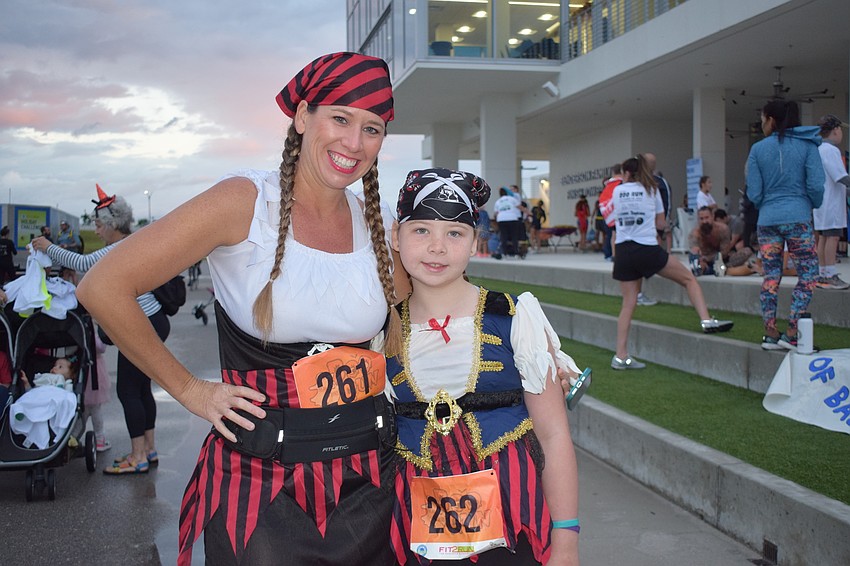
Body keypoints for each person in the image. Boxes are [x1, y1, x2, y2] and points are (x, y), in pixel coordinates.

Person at [74, 52, 406, 565]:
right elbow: (103, 285)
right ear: (301, 117)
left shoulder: (378, 220)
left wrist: (523, 346)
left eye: (373, 129)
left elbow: (422, 316)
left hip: (367, 484)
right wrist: (188, 389)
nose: (354, 144)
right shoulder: (245, 202)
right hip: (261, 490)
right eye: (340, 119)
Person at [387, 168, 581, 565]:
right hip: (411, 527)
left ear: (476, 242)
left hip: (513, 519)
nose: (437, 247)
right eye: (421, 230)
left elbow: (554, 434)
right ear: (396, 236)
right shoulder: (379, 330)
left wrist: (566, 540)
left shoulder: (515, 316)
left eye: (454, 233)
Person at [30, 186, 170, 474]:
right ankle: (148, 449)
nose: (95, 229)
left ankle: (138, 457)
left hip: (139, 324)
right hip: (153, 320)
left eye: (97, 224)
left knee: (128, 390)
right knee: (142, 388)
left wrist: (48, 247)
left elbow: (81, 263)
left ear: (110, 224)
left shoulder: (117, 248)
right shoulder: (134, 242)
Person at [610, 155, 733, 370]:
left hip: (623, 249)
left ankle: (620, 356)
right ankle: (706, 319)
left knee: (628, 304)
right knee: (688, 279)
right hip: (646, 248)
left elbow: (614, 217)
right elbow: (660, 222)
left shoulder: (617, 191)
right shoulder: (652, 190)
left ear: (627, 173)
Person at [746, 100, 824, 350]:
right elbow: (815, 185)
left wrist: (767, 204)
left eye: (762, 119)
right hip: (799, 217)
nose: (761, 124)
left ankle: (770, 332)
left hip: (768, 220)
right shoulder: (808, 146)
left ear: (770, 119)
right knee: (808, 274)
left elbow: (754, 193)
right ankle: (792, 329)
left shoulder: (757, 150)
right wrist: (812, 203)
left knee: (771, 276)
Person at [813, 114, 850, 290]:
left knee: (824, 237)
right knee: (833, 237)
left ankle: (823, 273)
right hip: (831, 203)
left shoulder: (818, 148)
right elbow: (841, 177)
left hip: (822, 202)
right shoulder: (831, 150)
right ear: (835, 130)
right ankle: (830, 275)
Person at [688, 206, 731, 276]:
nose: (704, 221)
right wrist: (700, 260)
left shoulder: (723, 229)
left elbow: (725, 252)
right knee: (694, 259)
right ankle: (704, 270)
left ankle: (722, 269)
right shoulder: (695, 233)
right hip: (704, 262)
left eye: (707, 218)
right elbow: (694, 250)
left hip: (721, 260)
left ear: (712, 216)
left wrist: (708, 258)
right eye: (701, 219)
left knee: (746, 252)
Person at [644, 152, 673, 251]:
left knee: (657, 238)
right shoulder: (661, 182)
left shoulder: (659, 182)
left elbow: (666, 200)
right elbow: (667, 200)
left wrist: (664, 218)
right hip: (653, 220)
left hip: (653, 219)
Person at [494, 187, 524, 258]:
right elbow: (520, 207)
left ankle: (504, 253)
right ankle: (516, 253)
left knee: (504, 236)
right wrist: (529, 213)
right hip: (512, 218)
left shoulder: (498, 201)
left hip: (501, 219)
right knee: (514, 236)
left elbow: (496, 213)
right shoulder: (512, 199)